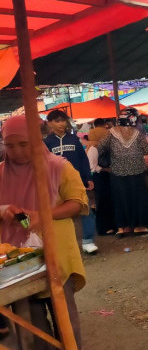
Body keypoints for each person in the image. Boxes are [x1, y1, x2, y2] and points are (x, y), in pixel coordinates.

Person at [0, 115, 87, 348]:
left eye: (23, 144)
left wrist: (43, 214)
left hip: (56, 252)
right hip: (19, 263)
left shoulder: (59, 167)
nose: (16, 151)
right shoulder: (0, 173)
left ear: (36, 139)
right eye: (10, 145)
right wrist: (4, 211)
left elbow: (77, 203)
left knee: (64, 317)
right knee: (32, 322)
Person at [44, 110, 96, 254]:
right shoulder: (46, 143)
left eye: (63, 120)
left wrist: (88, 177)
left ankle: (88, 241)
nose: (61, 124)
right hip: (56, 184)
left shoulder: (73, 139)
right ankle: (65, 245)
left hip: (77, 182)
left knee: (85, 210)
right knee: (61, 214)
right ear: (49, 123)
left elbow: (82, 159)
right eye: (56, 121)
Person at [98, 108, 148, 236]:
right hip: (136, 172)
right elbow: (147, 150)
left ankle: (124, 227)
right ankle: (139, 226)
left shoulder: (111, 133)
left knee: (121, 199)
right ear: (133, 119)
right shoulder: (137, 133)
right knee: (137, 198)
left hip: (117, 173)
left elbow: (100, 146)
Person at [85, 130, 115, 236]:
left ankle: (110, 226)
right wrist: (105, 169)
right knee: (102, 202)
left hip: (105, 177)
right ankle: (104, 228)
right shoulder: (93, 149)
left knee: (108, 202)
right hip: (100, 178)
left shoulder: (100, 147)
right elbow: (92, 167)